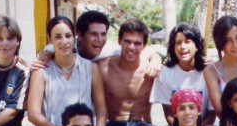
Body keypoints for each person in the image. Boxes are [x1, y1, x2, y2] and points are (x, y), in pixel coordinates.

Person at [27, 16, 108, 126]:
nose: (64, 42)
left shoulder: (91, 68)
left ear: (74, 37)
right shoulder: (41, 71)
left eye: (68, 36)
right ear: (50, 39)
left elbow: (102, 110)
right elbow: (33, 114)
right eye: (58, 37)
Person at [32, 10, 162, 77]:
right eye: (94, 34)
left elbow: (144, 51)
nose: (100, 39)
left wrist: (156, 59)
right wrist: (41, 57)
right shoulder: (65, 45)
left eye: (103, 34)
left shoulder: (110, 49)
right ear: (79, 35)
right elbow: (45, 53)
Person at [99, 19, 158, 126]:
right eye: (127, 41)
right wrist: (48, 53)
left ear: (144, 45)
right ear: (119, 41)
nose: (132, 47)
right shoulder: (104, 67)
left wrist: (157, 58)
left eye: (137, 43)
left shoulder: (151, 69)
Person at [147, 23, 213, 126]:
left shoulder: (208, 73)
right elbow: (169, 114)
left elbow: (211, 115)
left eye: (187, 42)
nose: (182, 47)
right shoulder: (165, 74)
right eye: (178, 43)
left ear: (196, 46)